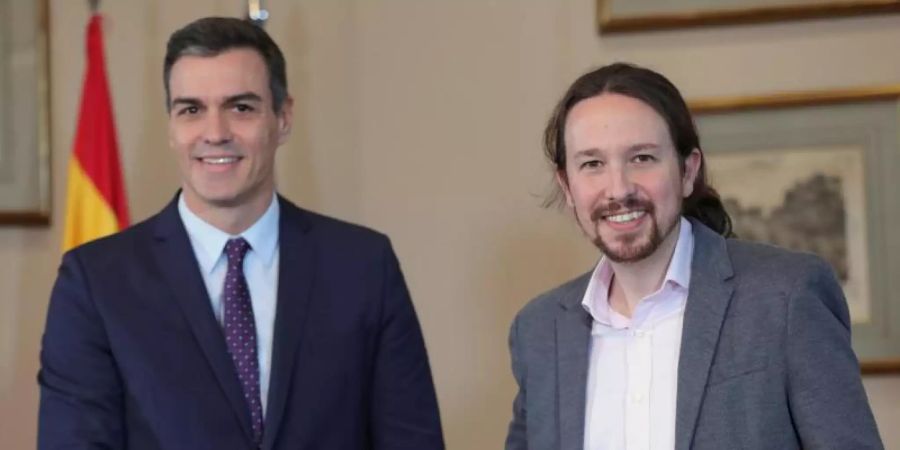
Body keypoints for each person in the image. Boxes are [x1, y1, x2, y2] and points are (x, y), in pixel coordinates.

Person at [38, 17, 444, 450]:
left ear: (283, 118)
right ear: (171, 126)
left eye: (241, 107)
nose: (215, 133)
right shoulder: (97, 282)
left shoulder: (363, 267)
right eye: (191, 109)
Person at [504, 62, 882, 450]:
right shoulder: (539, 330)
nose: (618, 189)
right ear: (567, 187)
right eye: (592, 164)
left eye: (642, 158)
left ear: (687, 171)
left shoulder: (787, 296)